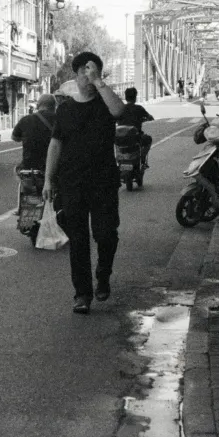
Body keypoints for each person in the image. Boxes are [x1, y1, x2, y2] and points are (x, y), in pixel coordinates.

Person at [43, 51, 126, 314]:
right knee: (77, 240)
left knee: (105, 234)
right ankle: (82, 294)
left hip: (103, 182)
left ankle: (103, 274)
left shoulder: (105, 103)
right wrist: (48, 179)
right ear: (75, 76)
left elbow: (119, 111)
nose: (86, 77)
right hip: (72, 184)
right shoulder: (65, 109)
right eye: (82, 73)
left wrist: (99, 83)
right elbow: (55, 145)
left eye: (92, 72)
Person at [11, 93, 57, 172]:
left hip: (29, 167)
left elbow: (15, 137)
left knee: (18, 170)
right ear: (54, 106)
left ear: (38, 105)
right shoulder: (60, 119)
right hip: (54, 167)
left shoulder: (26, 119)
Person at [117, 87, 154, 167]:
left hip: (120, 138)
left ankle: (118, 161)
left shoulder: (120, 109)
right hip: (135, 138)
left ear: (125, 97)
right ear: (135, 97)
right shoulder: (139, 108)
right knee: (148, 139)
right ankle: (143, 159)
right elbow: (150, 117)